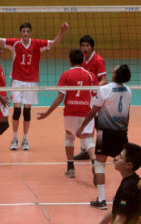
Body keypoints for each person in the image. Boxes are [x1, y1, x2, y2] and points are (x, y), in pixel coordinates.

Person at [0, 17, 69, 151]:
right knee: (17, 111)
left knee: (26, 112)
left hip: (31, 82)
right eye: (23, 31)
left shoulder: (37, 44)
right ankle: (14, 138)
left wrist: (62, 31)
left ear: (30, 33)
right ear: (20, 33)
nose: (25, 33)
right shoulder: (15, 44)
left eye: (27, 31)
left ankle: (25, 139)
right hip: (17, 81)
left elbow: (55, 42)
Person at [76, 64, 131, 209]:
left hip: (104, 133)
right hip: (121, 133)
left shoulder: (104, 89)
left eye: (114, 69)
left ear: (115, 75)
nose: (113, 68)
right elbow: (127, 113)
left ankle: (101, 200)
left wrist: (81, 127)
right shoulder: (128, 91)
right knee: (125, 167)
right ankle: (126, 199)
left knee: (100, 165)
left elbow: (94, 110)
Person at [37, 49, 97, 179]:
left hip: (70, 113)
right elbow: (96, 96)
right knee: (88, 139)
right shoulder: (91, 76)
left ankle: (70, 169)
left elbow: (60, 97)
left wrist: (47, 113)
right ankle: (94, 164)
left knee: (69, 137)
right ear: (82, 61)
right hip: (86, 112)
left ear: (70, 60)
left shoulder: (65, 75)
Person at [74, 35, 108, 160]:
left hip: (97, 96)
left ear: (92, 47)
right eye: (83, 45)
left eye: (87, 45)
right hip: (85, 97)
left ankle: (99, 149)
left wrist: (93, 87)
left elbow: (104, 80)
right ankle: (84, 150)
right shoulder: (80, 59)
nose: (85, 48)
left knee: (99, 125)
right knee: (83, 121)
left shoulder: (98, 60)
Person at [99, 143, 141, 224]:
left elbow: (120, 219)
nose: (116, 158)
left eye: (120, 157)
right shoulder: (136, 180)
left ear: (129, 165)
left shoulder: (127, 188)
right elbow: (115, 208)